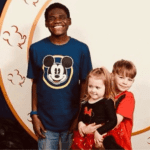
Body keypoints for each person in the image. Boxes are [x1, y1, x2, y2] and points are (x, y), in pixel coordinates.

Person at [27, 2, 92, 150]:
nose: (57, 21)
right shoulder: (36, 49)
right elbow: (35, 83)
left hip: (72, 122)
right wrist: (34, 115)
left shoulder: (81, 49)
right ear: (46, 23)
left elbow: (84, 83)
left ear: (69, 21)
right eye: (52, 18)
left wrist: (79, 117)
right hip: (45, 123)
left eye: (61, 17)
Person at [90, 59, 136, 150]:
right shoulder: (105, 94)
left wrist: (99, 132)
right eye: (121, 77)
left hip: (119, 144)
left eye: (129, 79)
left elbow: (115, 121)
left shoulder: (128, 97)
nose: (125, 82)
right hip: (100, 141)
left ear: (133, 81)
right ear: (112, 76)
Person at [71, 67, 118, 150]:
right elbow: (81, 116)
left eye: (97, 87)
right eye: (90, 86)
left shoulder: (107, 102)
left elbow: (113, 121)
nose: (93, 90)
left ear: (106, 87)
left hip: (99, 136)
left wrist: (99, 131)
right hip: (85, 136)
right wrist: (81, 124)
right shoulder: (85, 101)